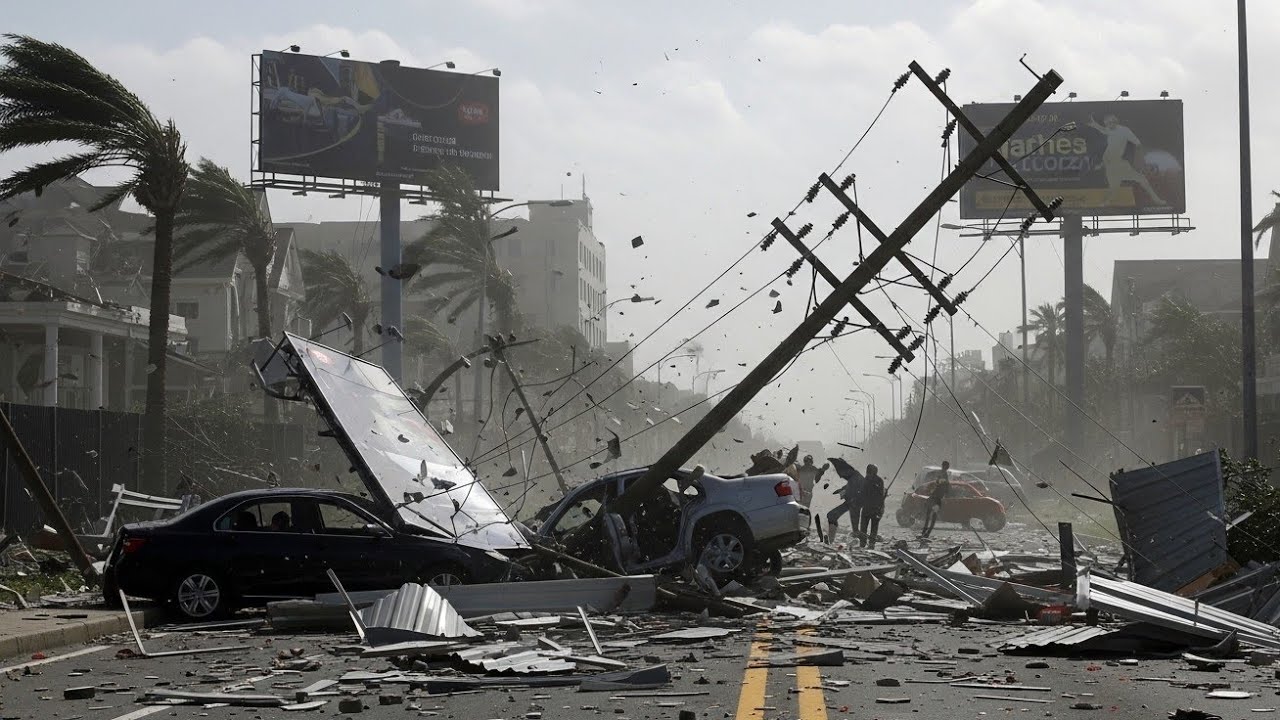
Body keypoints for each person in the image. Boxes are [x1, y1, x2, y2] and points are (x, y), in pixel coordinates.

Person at [1086, 114, 1167, 207]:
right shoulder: (1109, 129)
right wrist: (1095, 124)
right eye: (1107, 123)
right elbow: (1104, 130)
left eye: (1112, 122)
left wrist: (1141, 159)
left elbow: (1138, 144)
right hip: (1110, 166)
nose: (1110, 125)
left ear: (1116, 122)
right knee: (1114, 188)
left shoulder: (1124, 131)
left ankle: (1157, 200)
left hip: (1121, 164)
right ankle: (1105, 203)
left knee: (1142, 179)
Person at [826, 461, 864, 542]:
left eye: (842, 474)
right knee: (831, 516)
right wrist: (842, 489)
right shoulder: (854, 476)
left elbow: (858, 490)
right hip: (851, 503)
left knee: (855, 529)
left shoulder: (855, 477)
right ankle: (830, 540)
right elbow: (850, 487)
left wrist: (846, 493)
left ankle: (861, 543)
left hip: (854, 504)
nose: (841, 476)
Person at [858, 464, 886, 549]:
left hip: (867, 508)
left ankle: (863, 544)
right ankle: (871, 544)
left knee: (864, 527)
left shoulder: (864, 480)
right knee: (874, 527)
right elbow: (881, 496)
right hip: (875, 508)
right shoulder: (879, 480)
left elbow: (861, 495)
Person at [921, 461, 951, 538]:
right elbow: (945, 488)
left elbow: (945, 488)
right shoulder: (943, 476)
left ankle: (925, 533)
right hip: (935, 499)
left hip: (935, 498)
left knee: (930, 516)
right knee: (931, 517)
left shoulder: (943, 476)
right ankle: (925, 533)